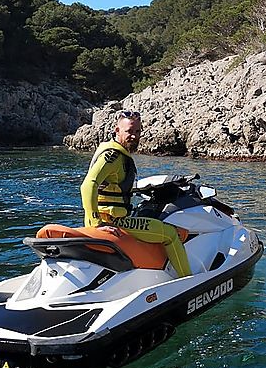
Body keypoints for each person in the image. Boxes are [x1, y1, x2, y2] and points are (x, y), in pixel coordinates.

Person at [80, 110, 192, 277]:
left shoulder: (115, 152)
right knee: (170, 234)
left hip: (112, 217)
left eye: (137, 131)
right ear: (117, 130)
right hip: (115, 221)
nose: (134, 136)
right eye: (129, 131)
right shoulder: (113, 156)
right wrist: (96, 223)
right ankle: (188, 280)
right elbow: (88, 185)